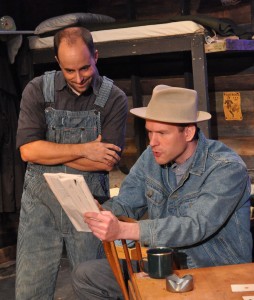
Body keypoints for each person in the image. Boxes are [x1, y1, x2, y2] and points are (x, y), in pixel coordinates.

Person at [72, 85, 253, 299]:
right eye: (150, 131)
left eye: (162, 133)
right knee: (87, 276)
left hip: (212, 274)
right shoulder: (152, 156)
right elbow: (126, 203)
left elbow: (195, 225)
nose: (153, 142)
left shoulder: (226, 167)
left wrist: (123, 230)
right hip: (167, 268)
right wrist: (99, 211)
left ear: (188, 132)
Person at [15, 26, 128, 299]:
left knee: (92, 283)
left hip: (88, 204)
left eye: (84, 68)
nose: (78, 78)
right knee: (31, 287)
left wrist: (49, 156)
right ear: (57, 62)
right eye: (69, 71)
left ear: (96, 57)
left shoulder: (114, 98)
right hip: (40, 205)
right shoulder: (38, 90)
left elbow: (104, 162)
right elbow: (28, 152)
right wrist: (87, 149)